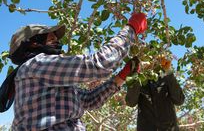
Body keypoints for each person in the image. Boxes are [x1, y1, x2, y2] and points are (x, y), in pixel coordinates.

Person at [1, 13, 147, 130]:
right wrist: (131, 29)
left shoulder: (46, 74)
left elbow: (89, 100)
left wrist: (120, 77)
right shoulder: (36, 64)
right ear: (32, 43)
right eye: (49, 36)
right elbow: (99, 63)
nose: (56, 39)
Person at [125, 59, 185, 131]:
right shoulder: (139, 80)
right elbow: (130, 102)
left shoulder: (166, 78)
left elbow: (179, 100)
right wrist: (136, 73)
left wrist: (168, 71)